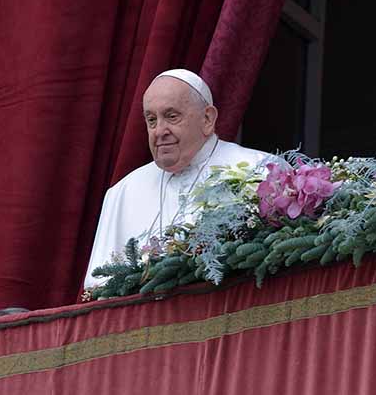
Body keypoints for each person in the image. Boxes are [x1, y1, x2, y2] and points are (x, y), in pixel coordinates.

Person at [83, 69, 271, 289]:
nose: (159, 131)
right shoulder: (123, 192)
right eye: (151, 120)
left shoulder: (261, 170)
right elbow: (99, 288)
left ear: (207, 118)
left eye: (172, 116)